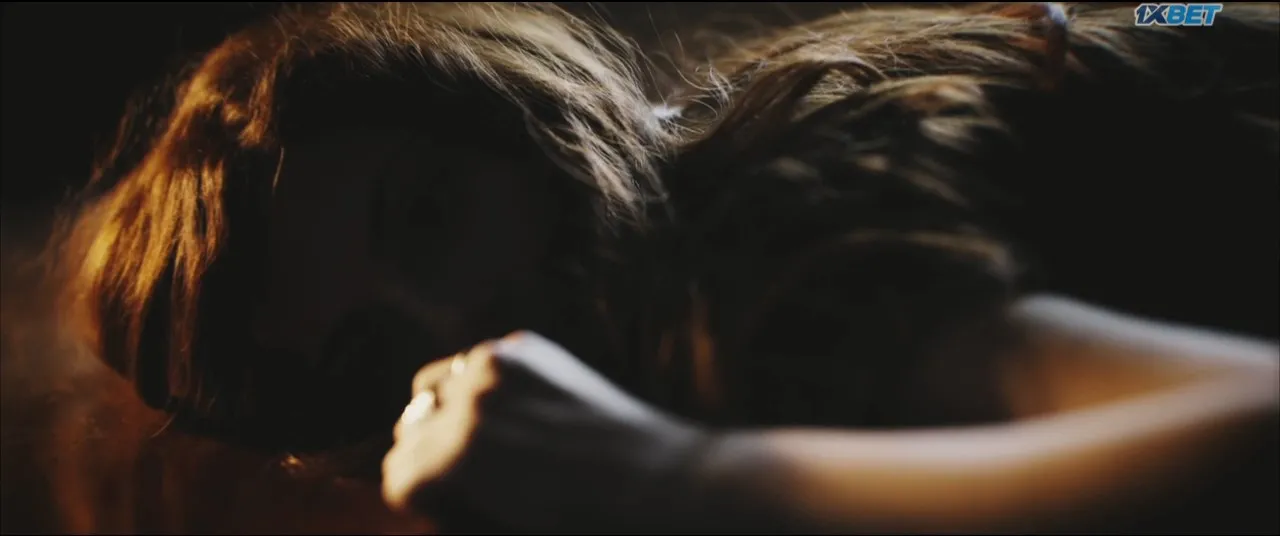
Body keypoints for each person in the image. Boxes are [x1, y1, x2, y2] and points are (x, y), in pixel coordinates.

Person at [42, 1, 1277, 533]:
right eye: (372, 354)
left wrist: (673, 474)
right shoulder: (734, 125)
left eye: (424, 215)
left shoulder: (746, 276)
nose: (459, 315)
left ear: (504, 121)